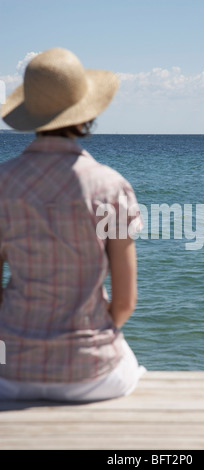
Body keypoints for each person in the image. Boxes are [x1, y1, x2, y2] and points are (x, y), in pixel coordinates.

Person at [0, 47, 146, 401]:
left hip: (10, 372)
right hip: (91, 375)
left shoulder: (4, 183)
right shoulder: (110, 187)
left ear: (31, 114)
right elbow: (125, 303)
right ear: (86, 114)